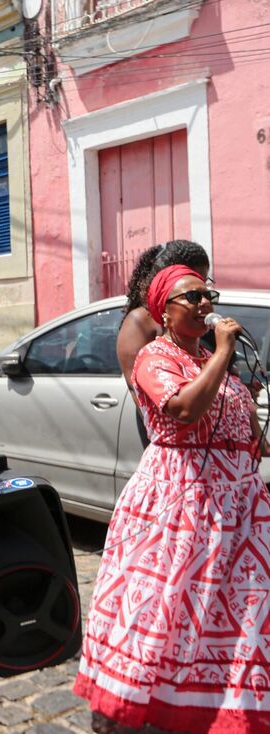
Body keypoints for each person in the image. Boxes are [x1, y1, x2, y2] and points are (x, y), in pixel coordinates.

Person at [75, 265, 270, 732]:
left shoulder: (213, 361)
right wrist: (223, 352)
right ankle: (157, 700)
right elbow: (183, 410)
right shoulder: (153, 358)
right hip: (182, 503)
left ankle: (223, 702)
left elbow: (251, 440)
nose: (206, 303)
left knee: (239, 610)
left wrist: (248, 399)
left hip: (239, 509)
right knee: (172, 609)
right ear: (164, 310)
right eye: (193, 297)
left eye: (208, 294)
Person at [116, 241, 212, 448]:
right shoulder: (140, 321)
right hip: (173, 433)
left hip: (208, 431)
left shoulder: (203, 320)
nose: (200, 289)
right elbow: (139, 390)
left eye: (204, 281)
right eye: (192, 293)